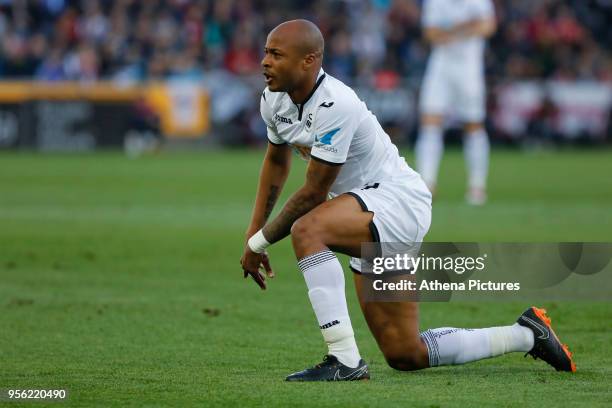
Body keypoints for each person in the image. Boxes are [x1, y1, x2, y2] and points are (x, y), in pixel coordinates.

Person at [240, 19, 575, 381]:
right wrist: (253, 230)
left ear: (309, 60)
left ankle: (345, 361)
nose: (265, 61)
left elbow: (313, 193)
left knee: (307, 230)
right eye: (265, 52)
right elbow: (276, 162)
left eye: (276, 54)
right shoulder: (272, 100)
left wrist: (259, 242)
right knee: (405, 352)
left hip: (397, 202)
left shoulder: (336, 103)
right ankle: (527, 334)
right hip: (362, 212)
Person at [415, 0, 496, 205]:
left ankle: (477, 187)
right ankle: (427, 184)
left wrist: (449, 31)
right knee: (430, 123)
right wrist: (467, 26)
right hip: (441, 67)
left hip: (469, 69)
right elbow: (431, 34)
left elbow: (488, 26)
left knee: (473, 124)